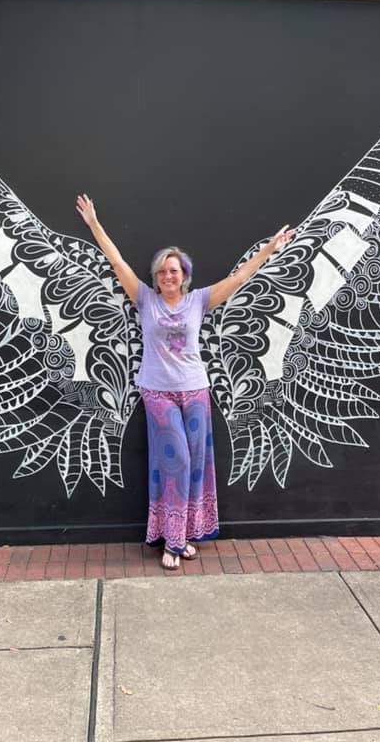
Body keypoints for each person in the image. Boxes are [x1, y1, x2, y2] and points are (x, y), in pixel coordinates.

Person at [76, 194, 295, 570]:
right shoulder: (145, 299)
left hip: (195, 390)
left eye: (174, 271)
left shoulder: (199, 301)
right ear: (156, 277)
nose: (168, 276)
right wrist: (94, 224)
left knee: (194, 464)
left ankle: (186, 534)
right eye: (162, 271)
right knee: (175, 459)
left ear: (184, 275)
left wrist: (269, 249)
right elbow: (117, 261)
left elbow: (240, 278)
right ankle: (173, 542)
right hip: (157, 391)